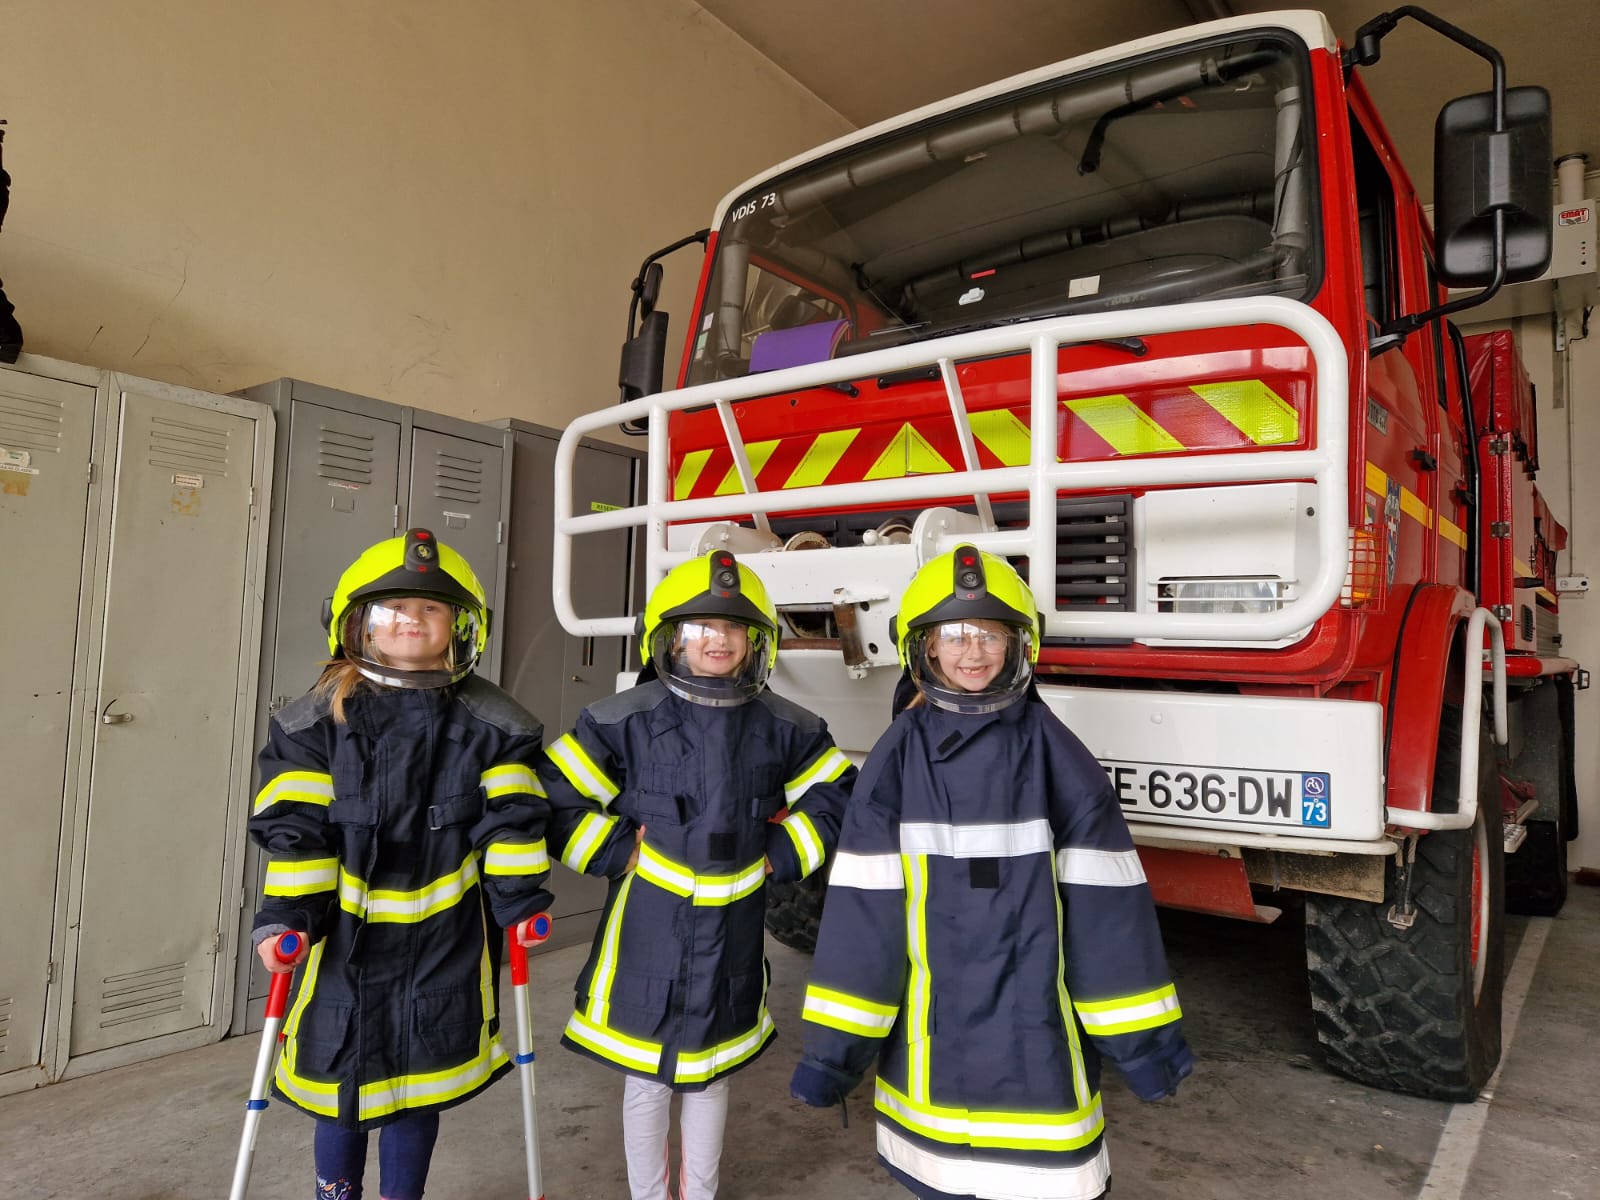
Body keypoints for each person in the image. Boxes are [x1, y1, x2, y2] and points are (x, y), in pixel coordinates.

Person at [790, 545, 1193, 1200]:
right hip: (932, 1055)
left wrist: (1145, 1050)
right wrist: (832, 1056)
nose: (973, 652)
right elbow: (864, 926)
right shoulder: (895, 760)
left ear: (1020, 645)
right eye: (954, 635)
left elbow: (1108, 919)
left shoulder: (1059, 756)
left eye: (990, 635)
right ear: (923, 647)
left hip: (1037, 1046)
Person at [540, 548, 856, 1200]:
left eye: (735, 627)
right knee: (647, 1080)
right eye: (701, 626)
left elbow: (835, 795)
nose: (719, 639)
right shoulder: (623, 719)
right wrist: (617, 849)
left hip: (733, 936)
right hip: (647, 931)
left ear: (757, 642)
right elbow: (555, 796)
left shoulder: (785, 725)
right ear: (670, 637)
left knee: (712, 1076)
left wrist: (783, 852)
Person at [249, 528, 552, 1200]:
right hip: (341, 945)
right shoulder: (313, 723)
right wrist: (284, 919)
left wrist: (521, 902)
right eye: (392, 608)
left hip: (445, 941)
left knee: (419, 1088)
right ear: (355, 624)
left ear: (461, 627)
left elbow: (513, 819)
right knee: (339, 1086)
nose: (412, 620)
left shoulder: (496, 725)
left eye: (431, 608)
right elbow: (297, 830)